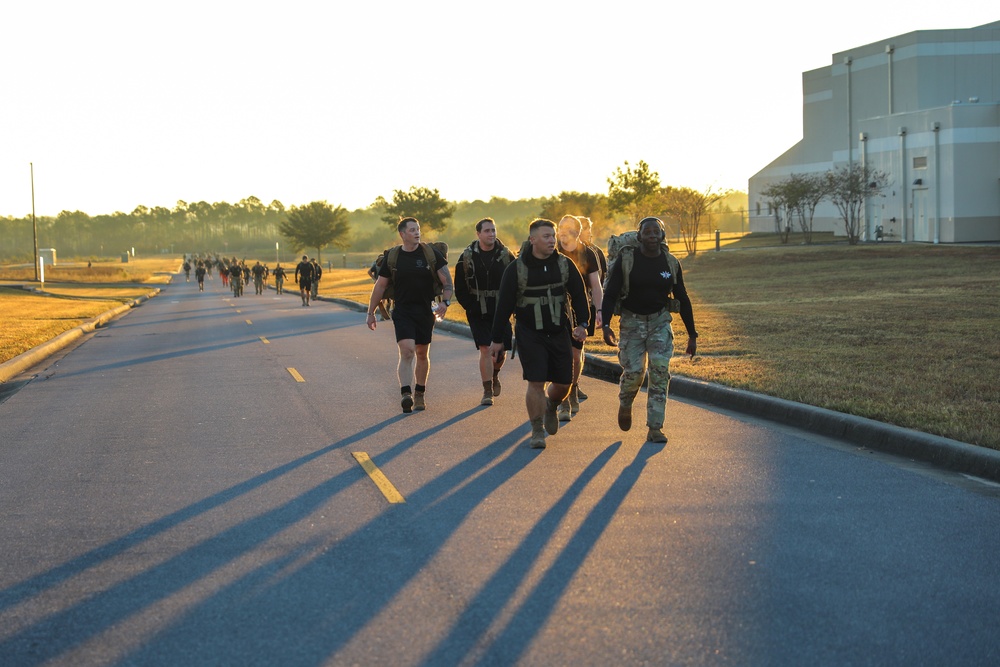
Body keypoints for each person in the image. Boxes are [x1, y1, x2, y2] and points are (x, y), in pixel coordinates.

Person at [488, 219, 590, 449]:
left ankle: (551, 404)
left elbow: (580, 295)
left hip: (558, 332)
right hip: (529, 333)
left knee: (564, 383)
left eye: (553, 235)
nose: (552, 240)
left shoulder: (564, 265)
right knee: (536, 381)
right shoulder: (516, 269)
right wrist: (497, 340)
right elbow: (503, 306)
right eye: (546, 236)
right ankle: (537, 429)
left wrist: (583, 323)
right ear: (532, 239)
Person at [601, 217, 698, 444]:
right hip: (632, 323)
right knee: (634, 373)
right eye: (648, 232)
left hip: (659, 323)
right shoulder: (627, 260)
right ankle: (625, 402)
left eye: (657, 232)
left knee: (660, 373)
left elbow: (682, 298)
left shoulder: (670, 263)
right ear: (640, 236)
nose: (652, 236)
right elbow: (611, 294)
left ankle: (655, 427)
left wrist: (692, 334)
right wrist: (605, 325)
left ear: (662, 236)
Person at [367, 218, 454, 413]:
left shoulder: (431, 255)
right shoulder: (393, 256)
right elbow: (380, 286)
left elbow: (447, 282)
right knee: (407, 351)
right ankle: (406, 394)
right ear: (402, 234)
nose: (417, 233)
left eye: (418, 229)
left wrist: (445, 302)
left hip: (424, 310)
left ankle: (420, 393)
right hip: (403, 311)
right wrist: (370, 312)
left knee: (422, 353)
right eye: (412, 230)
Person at [454, 217, 515, 406]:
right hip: (477, 311)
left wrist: (511, 307)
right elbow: (460, 287)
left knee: (500, 352)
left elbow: (516, 283)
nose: (491, 234)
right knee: (486, 349)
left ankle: (495, 374)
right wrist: (470, 307)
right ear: (478, 234)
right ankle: (487, 390)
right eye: (487, 231)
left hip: (501, 310)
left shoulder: (506, 255)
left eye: (493, 230)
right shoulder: (466, 257)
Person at [555, 215, 603, 421]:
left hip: (581, 308)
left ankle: (573, 388)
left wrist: (600, 311)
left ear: (576, 231)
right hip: (556, 309)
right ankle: (563, 400)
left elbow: (596, 285)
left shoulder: (587, 253)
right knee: (562, 355)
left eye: (567, 228)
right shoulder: (552, 250)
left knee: (575, 356)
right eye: (560, 228)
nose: (562, 231)